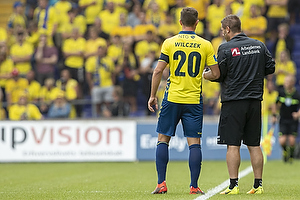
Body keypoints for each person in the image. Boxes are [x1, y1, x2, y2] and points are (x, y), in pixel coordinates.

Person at [148, 7, 220, 195]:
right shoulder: (205, 44)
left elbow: (158, 71)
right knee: (194, 143)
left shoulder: (169, 42)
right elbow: (216, 73)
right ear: (197, 23)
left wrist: (152, 95)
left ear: (180, 22)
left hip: (172, 98)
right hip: (193, 100)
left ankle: (161, 183)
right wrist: (204, 74)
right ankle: (194, 186)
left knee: (163, 139)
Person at [205, 14, 275, 195]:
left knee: (233, 145)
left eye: (222, 30)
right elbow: (271, 67)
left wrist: (206, 75)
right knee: (254, 144)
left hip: (233, 101)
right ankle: (258, 185)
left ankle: (233, 186)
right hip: (254, 101)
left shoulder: (225, 48)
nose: (222, 33)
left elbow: (219, 74)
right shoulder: (259, 45)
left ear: (228, 29)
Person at [272, 75, 300, 163]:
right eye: (285, 82)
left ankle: (291, 155)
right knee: (282, 141)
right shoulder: (281, 92)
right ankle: (285, 151)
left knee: (292, 142)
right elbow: (275, 104)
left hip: (293, 120)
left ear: (292, 83)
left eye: (287, 82)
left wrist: (298, 114)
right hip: (283, 120)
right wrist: (274, 115)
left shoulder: (296, 94)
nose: (285, 83)